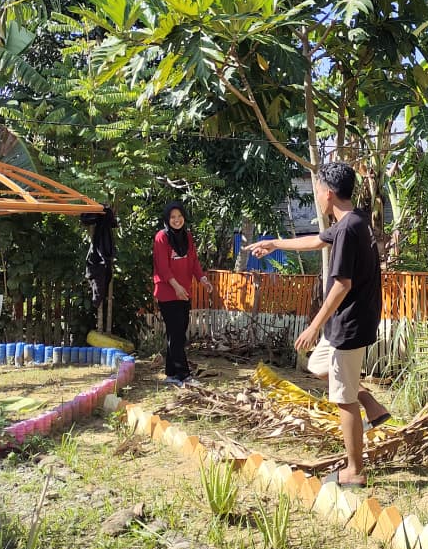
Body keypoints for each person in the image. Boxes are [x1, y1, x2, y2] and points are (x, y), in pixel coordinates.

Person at [246, 162, 390, 488]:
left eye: (318, 192)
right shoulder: (355, 221)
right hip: (351, 320)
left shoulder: (347, 231)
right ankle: (371, 403)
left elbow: (342, 284)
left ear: (327, 194)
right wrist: (276, 243)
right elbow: (315, 241)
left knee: (343, 398)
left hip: (349, 324)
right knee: (317, 364)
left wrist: (313, 325)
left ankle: (355, 470)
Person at [153, 201, 212, 384]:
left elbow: (193, 261)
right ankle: (184, 375)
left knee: (177, 333)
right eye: (173, 217)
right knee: (177, 334)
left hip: (184, 292)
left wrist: (202, 278)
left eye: (179, 216)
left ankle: (171, 374)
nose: (177, 220)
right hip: (167, 292)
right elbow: (163, 267)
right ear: (167, 219)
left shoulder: (187, 236)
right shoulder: (161, 237)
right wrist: (176, 287)